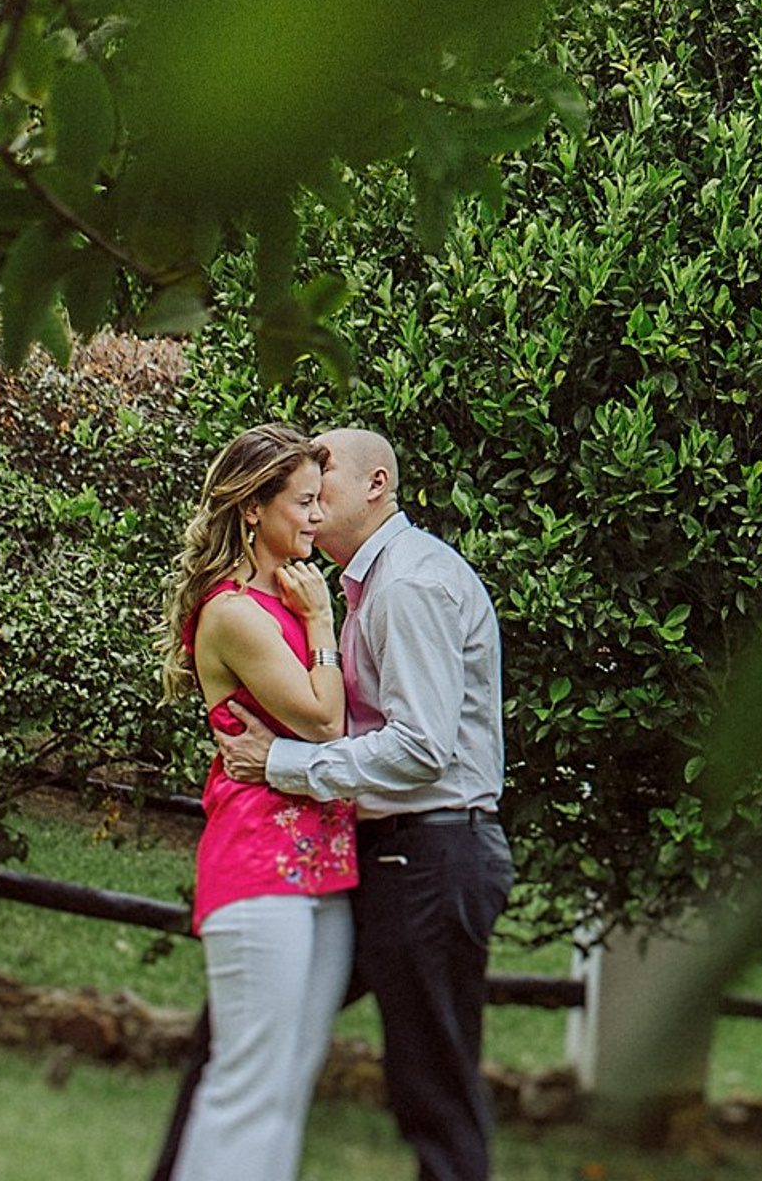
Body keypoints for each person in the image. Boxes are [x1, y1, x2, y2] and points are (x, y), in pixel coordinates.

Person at [219, 425, 512, 1181]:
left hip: (431, 853)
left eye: (325, 479)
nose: (311, 502)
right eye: (302, 491)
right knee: (242, 1032)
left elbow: (421, 749)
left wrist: (281, 764)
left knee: (432, 1088)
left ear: (377, 485)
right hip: (386, 855)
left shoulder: (409, 583)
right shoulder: (363, 588)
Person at [156, 423, 359, 1181]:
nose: (316, 517)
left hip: (325, 869)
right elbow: (323, 717)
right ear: (253, 507)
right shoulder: (236, 610)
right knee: (246, 1082)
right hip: (257, 866)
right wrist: (321, 625)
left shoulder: (290, 593)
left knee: (287, 1087)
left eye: (319, 501)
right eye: (303, 502)